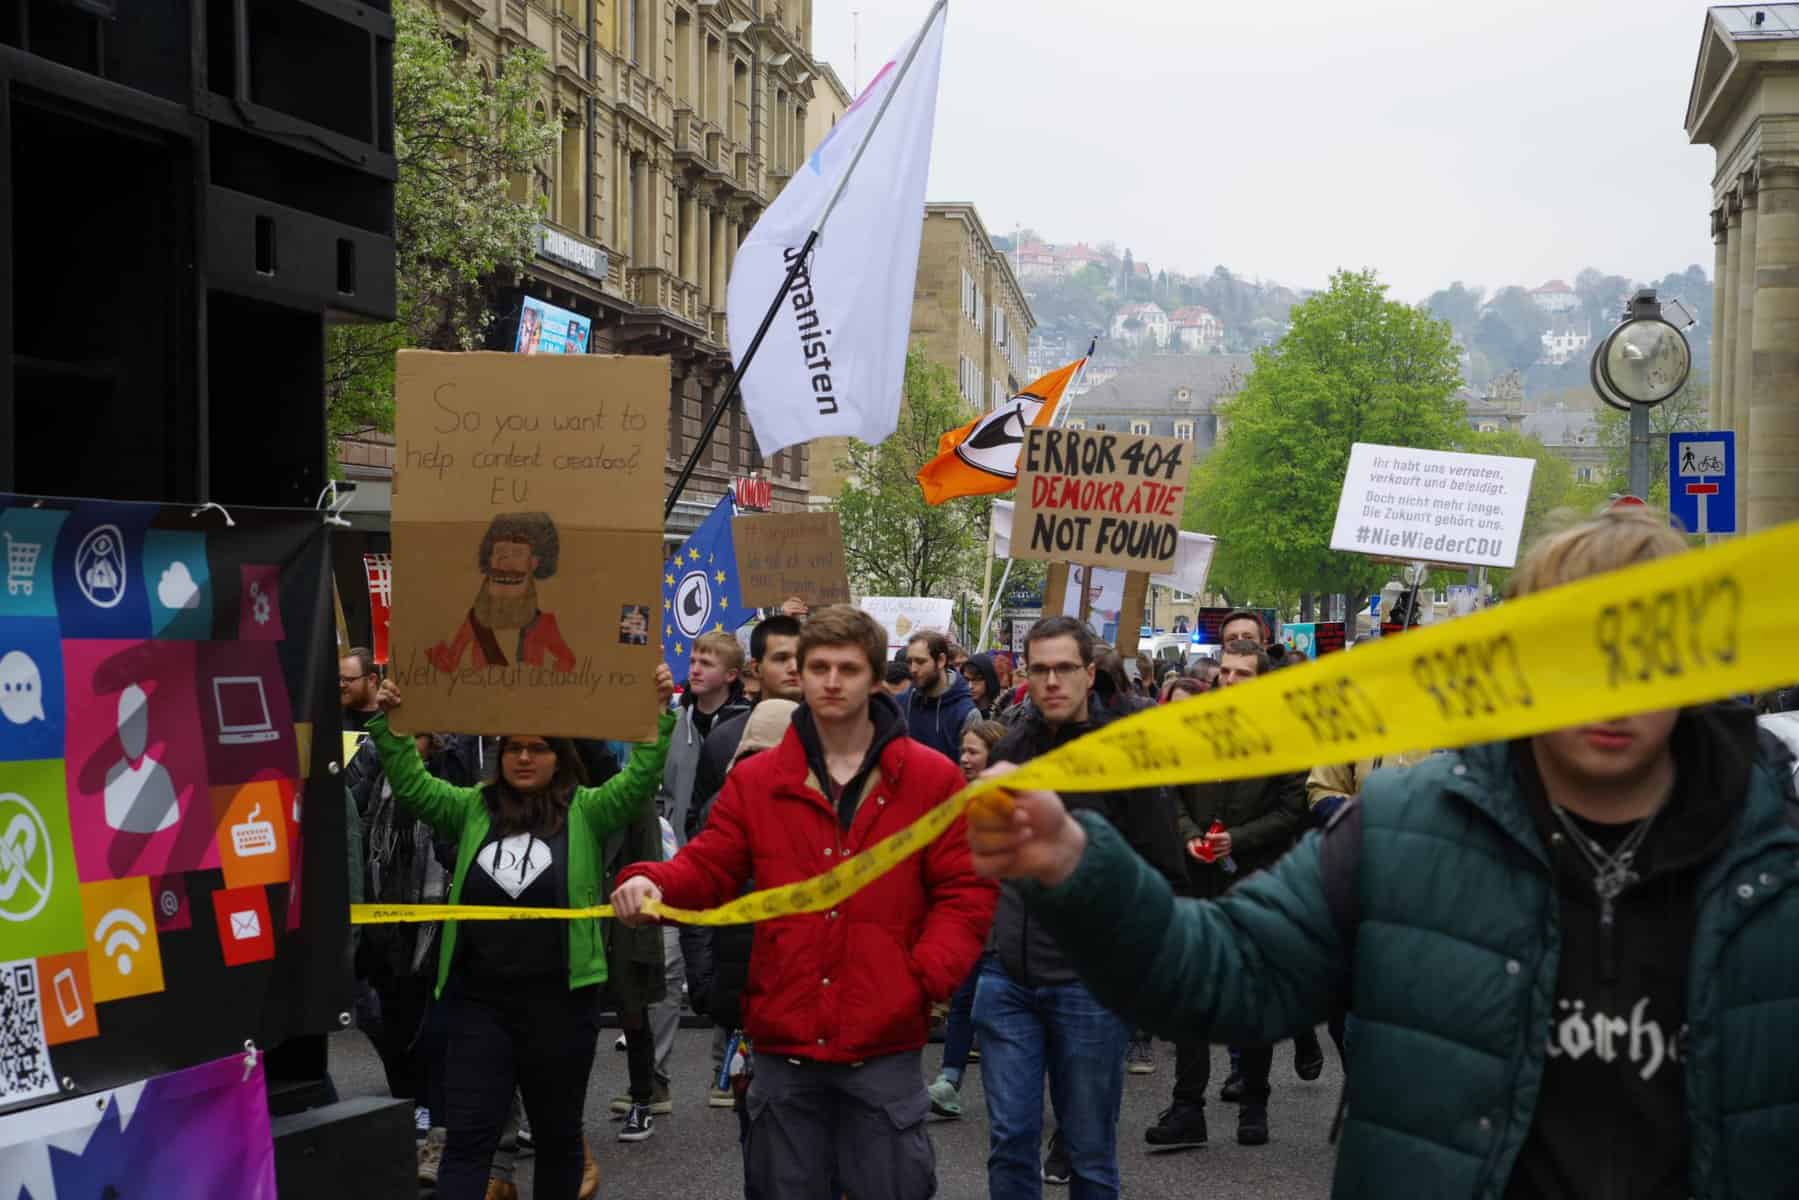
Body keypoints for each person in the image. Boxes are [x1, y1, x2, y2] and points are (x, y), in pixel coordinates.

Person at [967, 507, 1799, 1200]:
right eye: (1576, 647)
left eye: (1640, 648)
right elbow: (1221, 976)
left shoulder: (1777, 858)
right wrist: (1078, 865)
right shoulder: (1405, 832)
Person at [612, 606, 998, 1200]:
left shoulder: (932, 780)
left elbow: (965, 894)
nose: (833, 681)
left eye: (848, 667)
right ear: (799, 674)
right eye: (818, 666)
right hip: (784, 1039)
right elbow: (710, 863)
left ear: (874, 677)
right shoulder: (759, 779)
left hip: (883, 1042)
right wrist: (654, 882)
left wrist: (923, 977)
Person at [365, 664, 676, 1200]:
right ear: (499, 757)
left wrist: (657, 711)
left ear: (560, 758)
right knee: (467, 1142)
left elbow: (640, 777)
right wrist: (392, 726)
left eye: (538, 748)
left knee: (558, 1141)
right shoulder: (469, 809)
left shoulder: (588, 810)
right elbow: (413, 786)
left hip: (562, 1007)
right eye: (513, 749)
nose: (525, 758)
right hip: (476, 1007)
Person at [975, 616, 1185, 1199]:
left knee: (1089, 1150)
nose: (1051, 681)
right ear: (1023, 675)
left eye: (1064, 668)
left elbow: (1164, 869)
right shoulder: (1012, 748)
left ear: (1089, 673)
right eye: (1039, 669)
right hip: (1007, 977)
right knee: (1010, 1137)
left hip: (1088, 983)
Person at [1149, 638, 1306, 1153]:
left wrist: (1237, 839)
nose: (1231, 682)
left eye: (1243, 674)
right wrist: (1191, 833)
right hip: (1198, 877)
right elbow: (1170, 793)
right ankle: (1187, 1107)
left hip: (1254, 877)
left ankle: (1254, 1101)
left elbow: (1292, 809)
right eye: (1226, 673)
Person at [680, 614, 805, 1106]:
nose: (796, 669)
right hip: (743, 945)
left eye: (804, 659)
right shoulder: (726, 739)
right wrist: (709, 978)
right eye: (782, 658)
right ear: (756, 668)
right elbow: (707, 844)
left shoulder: (849, 738)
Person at [930, 719, 1009, 1120]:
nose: (964, 759)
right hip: (967, 915)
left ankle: (1011, 1086)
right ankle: (949, 1079)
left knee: (994, 1006)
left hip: (1003, 918)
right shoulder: (955, 796)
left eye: (973, 752)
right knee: (962, 998)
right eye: (962, 751)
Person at [428, 513, 576, 673]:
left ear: (534, 562)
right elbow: (450, 662)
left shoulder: (545, 625)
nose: (504, 562)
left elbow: (567, 660)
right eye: (499, 551)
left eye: (517, 553)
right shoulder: (474, 621)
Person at [660, 631, 751, 847]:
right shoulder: (673, 721)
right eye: (693, 661)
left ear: (730, 675)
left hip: (726, 848)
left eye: (707, 664)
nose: (695, 670)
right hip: (675, 847)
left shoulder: (747, 725)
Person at [903, 630, 979, 762]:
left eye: (920, 662)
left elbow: (970, 772)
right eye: (909, 662)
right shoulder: (901, 704)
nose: (913, 669)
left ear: (941, 660)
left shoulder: (966, 714)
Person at [341, 647, 382, 731]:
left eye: (348, 679)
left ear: (371, 680)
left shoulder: (393, 720)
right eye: (339, 679)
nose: (341, 685)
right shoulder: (332, 720)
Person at [962, 653, 1004, 721]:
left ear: (989, 680)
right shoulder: (960, 712)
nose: (970, 686)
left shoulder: (1002, 712)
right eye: (966, 680)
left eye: (977, 679)